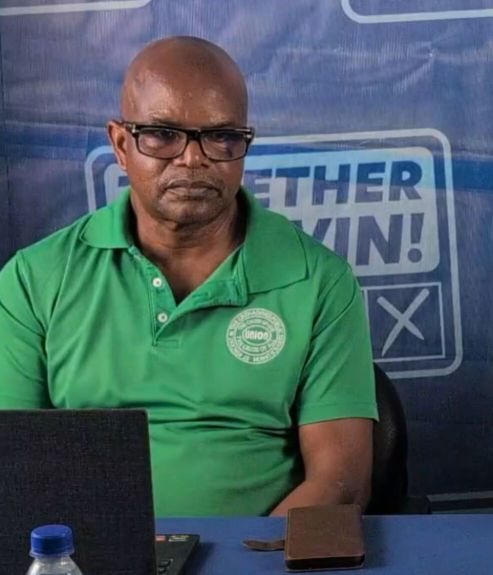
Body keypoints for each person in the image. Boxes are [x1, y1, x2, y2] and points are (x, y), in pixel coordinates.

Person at [0, 37, 377, 517]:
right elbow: (13, 469)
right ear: (121, 144)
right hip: (88, 552)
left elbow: (341, 482)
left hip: (260, 552)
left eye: (221, 137)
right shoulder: (34, 279)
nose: (192, 159)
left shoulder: (319, 280)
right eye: (161, 134)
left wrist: (249, 553)